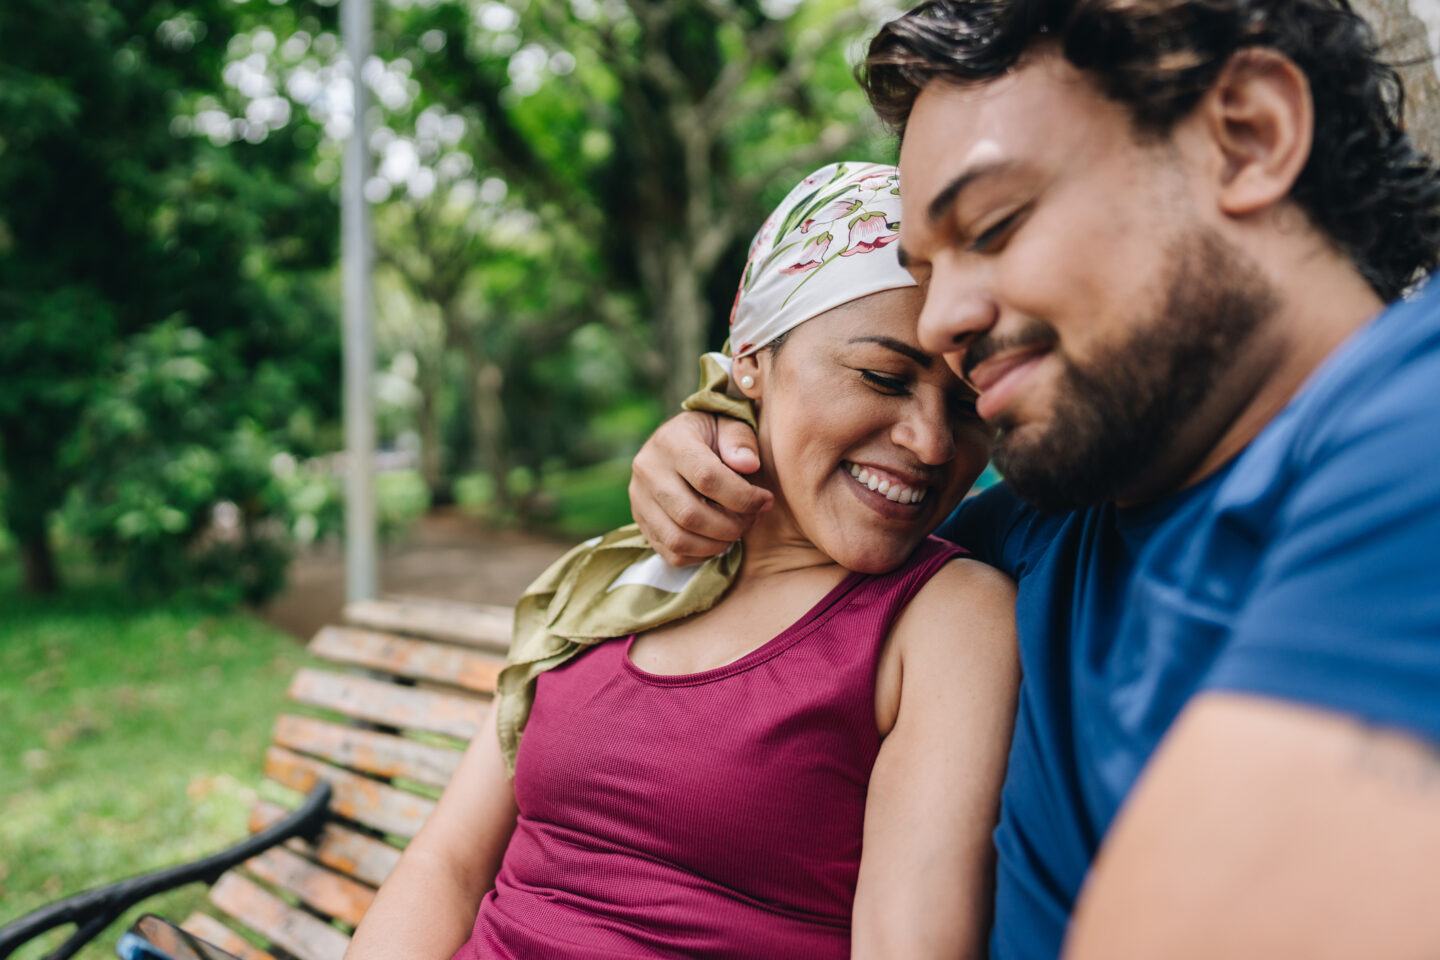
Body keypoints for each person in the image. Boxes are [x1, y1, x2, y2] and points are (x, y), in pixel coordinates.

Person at [627, 2, 1440, 958]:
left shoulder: (1410, 429)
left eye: (996, 224)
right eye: (927, 270)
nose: (941, 323)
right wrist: (718, 442)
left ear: (1249, 138)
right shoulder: (1032, 535)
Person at [344, 161, 1019, 960]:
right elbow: (447, 865)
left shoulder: (945, 617)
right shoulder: (621, 573)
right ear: (751, 360)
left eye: (967, 401)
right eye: (881, 376)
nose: (933, 442)